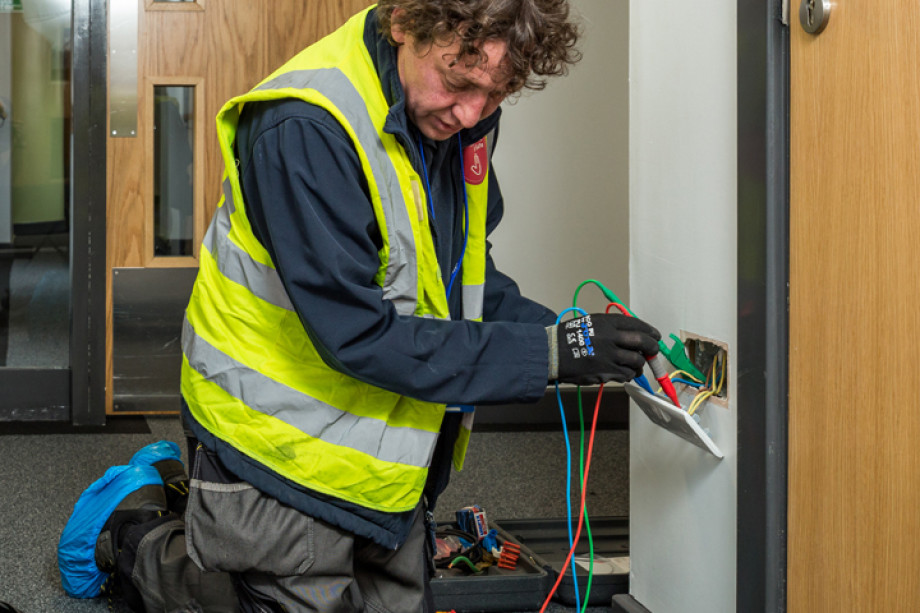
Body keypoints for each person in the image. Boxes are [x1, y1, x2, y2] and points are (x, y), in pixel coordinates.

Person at [58, 1, 661, 611]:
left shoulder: (457, 121)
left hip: (380, 445)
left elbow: (458, 277)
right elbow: (359, 335)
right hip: (276, 440)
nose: (473, 113)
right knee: (266, 594)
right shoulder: (307, 129)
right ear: (406, 25)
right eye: (459, 83)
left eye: (497, 93)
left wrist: (566, 330)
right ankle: (134, 533)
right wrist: (549, 355)